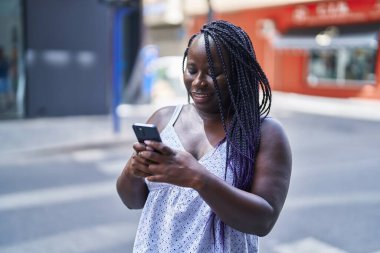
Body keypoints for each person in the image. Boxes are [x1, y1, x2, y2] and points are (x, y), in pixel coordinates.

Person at [117, 20, 292, 253]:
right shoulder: (162, 119)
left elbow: (263, 221)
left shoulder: (265, 133)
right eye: (192, 70)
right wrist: (133, 170)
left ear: (239, 75)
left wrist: (198, 178)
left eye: (215, 73)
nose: (199, 82)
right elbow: (133, 201)